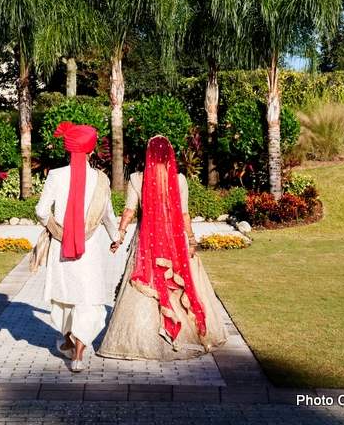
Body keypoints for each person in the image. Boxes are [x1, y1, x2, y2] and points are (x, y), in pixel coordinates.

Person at [97, 136, 228, 361]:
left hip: (146, 243)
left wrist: (119, 236)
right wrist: (191, 240)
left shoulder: (137, 180)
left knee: (146, 282)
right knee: (175, 284)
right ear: (169, 155)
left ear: (148, 154)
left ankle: (139, 340)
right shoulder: (179, 180)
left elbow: (128, 212)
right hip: (174, 242)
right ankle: (183, 333)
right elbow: (184, 214)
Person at [35, 121, 120, 372]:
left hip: (61, 249)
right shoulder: (101, 180)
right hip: (90, 248)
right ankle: (78, 356)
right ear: (91, 151)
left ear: (69, 150)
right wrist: (115, 238)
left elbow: (41, 211)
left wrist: (57, 230)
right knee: (89, 299)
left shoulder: (55, 176)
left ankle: (68, 341)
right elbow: (107, 215)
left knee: (64, 299)